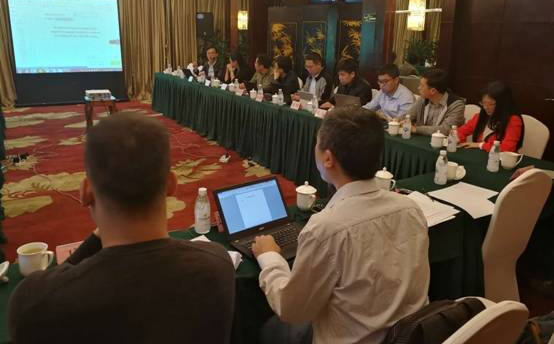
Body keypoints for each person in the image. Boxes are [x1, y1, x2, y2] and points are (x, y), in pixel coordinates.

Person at [8, 113, 235, 344]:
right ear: (171, 185)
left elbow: (60, 279)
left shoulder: (33, 303)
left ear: (85, 192)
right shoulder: (217, 264)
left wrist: (95, 239)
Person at [252, 107, 430, 344]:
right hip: (409, 336)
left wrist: (269, 258)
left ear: (327, 158)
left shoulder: (326, 229)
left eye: (317, 144)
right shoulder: (410, 208)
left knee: (270, 329)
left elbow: (291, 310)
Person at [457, 81, 524, 152]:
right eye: (483, 103)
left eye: (491, 104)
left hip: (499, 157)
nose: (485, 107)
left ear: (503, 104)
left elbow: (508, 147)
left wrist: (481, 145)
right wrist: (457, 138)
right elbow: (460, 131)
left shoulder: (513, 120)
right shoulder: (480, 116)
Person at [408, 68, 465, 135]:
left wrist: (416, 129)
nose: (418, 88)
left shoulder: (456, 105)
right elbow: (408, 116)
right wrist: (399, 120)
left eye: (422, 86)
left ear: (433, 91)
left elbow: (446, 129)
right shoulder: (423, 99)